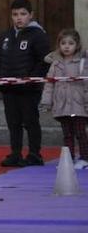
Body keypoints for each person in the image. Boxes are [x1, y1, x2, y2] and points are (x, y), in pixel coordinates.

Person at [0, 0, 51, 167]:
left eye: (23, 14)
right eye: (15, 14)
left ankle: (34, 153)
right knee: (13, 122)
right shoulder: (6, 36)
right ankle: (15, 153)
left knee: (30, 121)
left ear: (31, 15)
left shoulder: (38, 35)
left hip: (29, 89)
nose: (19, 18)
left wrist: (32, 80)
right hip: (9, 88)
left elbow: (44, 61)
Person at [41, 29, 88, 170]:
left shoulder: (83, 62)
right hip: (62, 105)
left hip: (79, 105)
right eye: (63, 43)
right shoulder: (55, 63)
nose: (67, 46)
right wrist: (46, 101)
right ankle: (69, 159)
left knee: (80, 133)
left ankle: (85, 158)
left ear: (77, 45)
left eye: (70, 43)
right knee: (67, 134)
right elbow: (49, 84)